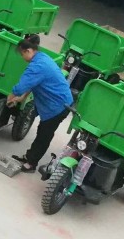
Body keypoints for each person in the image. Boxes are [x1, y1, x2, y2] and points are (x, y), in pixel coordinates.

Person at [7, 35, 73, 173]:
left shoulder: (37, 66)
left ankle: (31, 164)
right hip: (56, 100)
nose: (22, 57)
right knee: (42, 131)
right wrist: (22, 98)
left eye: (22, 54)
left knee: (44, 134)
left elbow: (19, 88)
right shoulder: (42, 58)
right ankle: (29, 157)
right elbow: (33, 83)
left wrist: (10, 98)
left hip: (58, 105)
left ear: (28, 51)